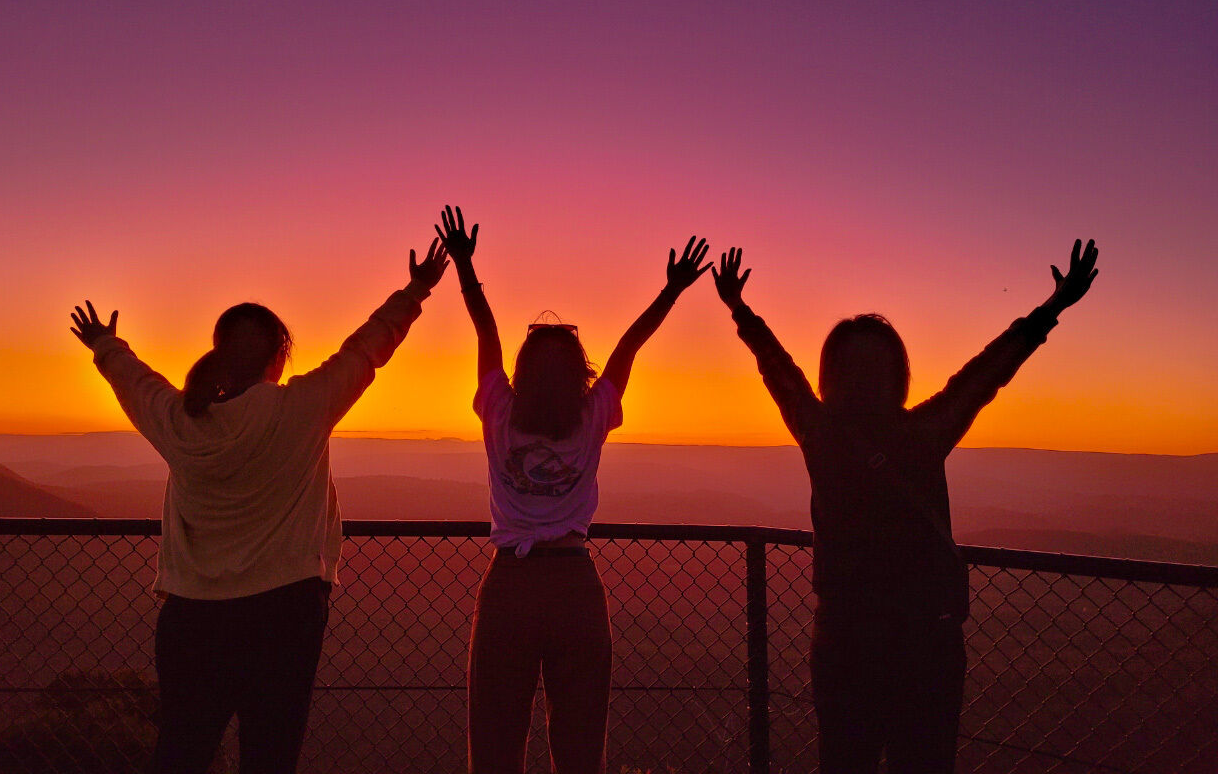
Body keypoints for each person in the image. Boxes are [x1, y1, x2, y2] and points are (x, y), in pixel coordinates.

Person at [711, 239, 1099, 774]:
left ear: (830, 374)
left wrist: (740, 311)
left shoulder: (821, 434)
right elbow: (986, 374)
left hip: (845, 640)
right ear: (899, 373)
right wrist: (1052, 307)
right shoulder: (923, 433)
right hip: (926, 644)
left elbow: (778, 371)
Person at [67, 239, 448, 774]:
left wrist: (105, 344)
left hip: (192, 616)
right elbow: (368, 347)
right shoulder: (303, 407)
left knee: (181, 751)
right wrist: (417, 289)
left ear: (219, 352)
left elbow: (135, 382)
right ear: (279, 355)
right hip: (285, 613)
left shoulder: (180, 420)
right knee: (271, 755)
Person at [435, 205, 710, 774]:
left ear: (522, 369)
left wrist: (465, 266)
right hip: (575, 583)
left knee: (494, 738)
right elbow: (629, 348)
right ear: (581, 375)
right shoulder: (592, 416)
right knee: (581, 741)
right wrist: (672, 290)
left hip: (510, 581)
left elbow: (483, 328)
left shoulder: (499, 411)